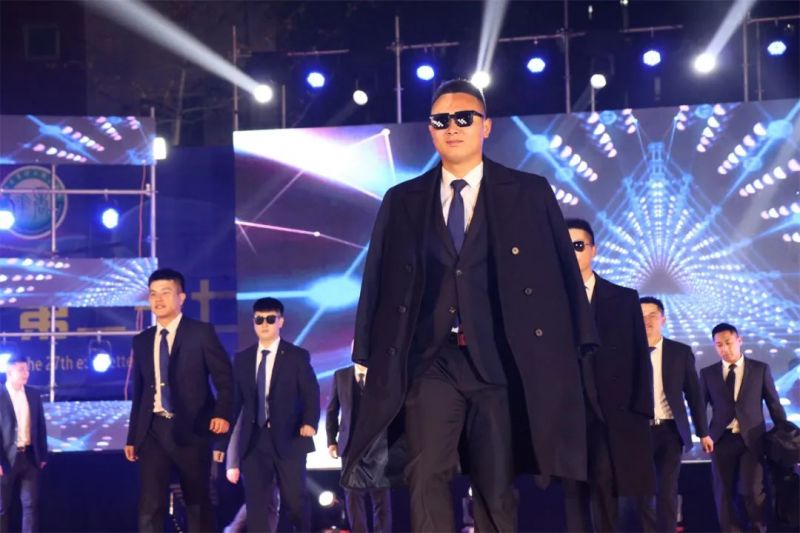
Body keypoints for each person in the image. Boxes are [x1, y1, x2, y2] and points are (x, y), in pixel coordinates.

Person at [342, 79, 598, 532]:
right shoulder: (402, 200)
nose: (453, 127)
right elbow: (377, 278)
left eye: (464, 118)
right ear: (430, 130)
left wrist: (579, 341)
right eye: (441, 120)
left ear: (486, 126)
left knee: (496, 485)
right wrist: (365, 350)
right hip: (429, 359)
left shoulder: (528, 192)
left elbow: (560, 271)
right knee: (425, 476)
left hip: (500, 356)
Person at [561, 218, 655, 532]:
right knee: (570, 495)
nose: (572, 252)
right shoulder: (546, 300)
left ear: (593, 250)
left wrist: (641, 411)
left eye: (578, 245)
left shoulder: (624, 298)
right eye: (565, 246)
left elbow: (639, 357)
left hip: (610, 412)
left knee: (605, 487)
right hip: (565, 413)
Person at [125, 268, 234, 532]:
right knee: (150, 504)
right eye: (153, 294)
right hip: (153, 430)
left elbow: (226, 380)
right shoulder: (142, 340)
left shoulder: (201, 333)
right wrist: (133, 436)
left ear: (181, 297)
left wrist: (221, 414)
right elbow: (140, 392)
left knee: (197, 502)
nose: (158, 299)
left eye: (165, 293)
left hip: (193, 428)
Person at [224, 297, 320, 532]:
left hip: (290, 438)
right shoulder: (243, 359)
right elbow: (234, 403)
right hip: (254, 441)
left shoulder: (297, 356)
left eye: (270, 319)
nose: (264, 324)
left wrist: (309, 421)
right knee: (257, 506)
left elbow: (311, 392)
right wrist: (222, 444)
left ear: (281, 321)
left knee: (295, 502)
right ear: (253, 322)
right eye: (259, 320)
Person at [700, 323, 788, 532]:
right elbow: (699, 407)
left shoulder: (760, 369)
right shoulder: (708, 373)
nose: (724, 348)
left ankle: (758, 529)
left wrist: (786, 436)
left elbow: (774, 405)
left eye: (728, 343)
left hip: (752, 440)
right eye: (719, 345)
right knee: (724, 494)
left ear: (739, 340)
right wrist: (703, 434)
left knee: (752, 491)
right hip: (720, 440)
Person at [637, 296, 710, 532]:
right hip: (638, 432)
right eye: (642, 316)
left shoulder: (680, 352)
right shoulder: (628, 352)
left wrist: (703, 432)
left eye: (652, 315)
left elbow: (694, 395)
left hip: (670, 431)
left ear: (663, 319)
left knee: (667, 491)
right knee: (643, 494)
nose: (647, 321)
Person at [327, 364, 392, 532]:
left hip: (378, 445)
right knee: (353, 497)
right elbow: (332, 411)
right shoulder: (340, 375)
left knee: (381, 496)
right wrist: (331, 441)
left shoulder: (383, 374)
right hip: (350, 446)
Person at [0, 354, 48, 533]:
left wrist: (43, 454)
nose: (26, 373)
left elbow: (40, 425)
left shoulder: (33, 394)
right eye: (21, 370)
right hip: (6, 459)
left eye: (27, 369)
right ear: (9, 371)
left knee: (31, 506)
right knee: (2, 508)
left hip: (29, 457)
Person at [222, 412, 280, 533]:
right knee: (257, 498)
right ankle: (232, 529)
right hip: (252, 457)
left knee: (272, 502)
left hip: (276, 456)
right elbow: (236, 428)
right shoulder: (248, 401)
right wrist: (232, 464)